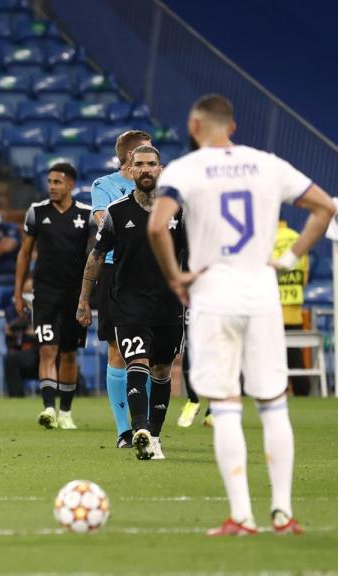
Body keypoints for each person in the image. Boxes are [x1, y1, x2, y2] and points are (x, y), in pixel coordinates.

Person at [148, 94, 334, 536]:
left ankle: (242, 516)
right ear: (232, 127)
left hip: (214, 294)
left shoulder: (185, 170)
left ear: (195, 126)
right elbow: (325, 207)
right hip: (262, 293)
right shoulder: (268, 164)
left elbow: (157, 226)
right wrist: (287, 260)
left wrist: (175, 277)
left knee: (226, 405)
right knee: (273, 402)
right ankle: (283, 513)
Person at [78, 146, 184, 460]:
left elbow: (194, 255)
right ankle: (140, 430)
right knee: (136, 361)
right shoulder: (116, 212)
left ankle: (154, 435)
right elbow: (96, 257)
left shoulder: (179, 211)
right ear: (131, 169)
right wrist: (84, 299)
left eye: (152, 164)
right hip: (129, 303)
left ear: (160, 168)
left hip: (168, 304)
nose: (146, 169)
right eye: (140, 164)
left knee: (161, 369)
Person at [14, 162, 91, 431]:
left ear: (70, 184)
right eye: (50, 182)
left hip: (75, 295)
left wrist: (88, 296)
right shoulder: (36, 212)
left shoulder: (86, 215)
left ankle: (66, 412)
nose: (52, 187)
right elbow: (24, 254)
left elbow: (95, 256)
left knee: (69, 354)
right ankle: (48, 408)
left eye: (57, 182)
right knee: (47, 349)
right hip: (45, 293)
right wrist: (18, 291)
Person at [89, 128, 152, 448]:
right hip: (116, 270)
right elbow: (103, 222)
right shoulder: (104, 186)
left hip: (153, 270)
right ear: (131, 156)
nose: (152, 161)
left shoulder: (160, 188)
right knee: (117, 349)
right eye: (147, 153)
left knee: (150, 353)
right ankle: (123, 431)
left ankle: (146, 427)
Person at [273, 219, 311, 396]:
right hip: (294, 311)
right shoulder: (297, 237)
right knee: (295, 357)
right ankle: (302, 392)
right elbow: (305, 275)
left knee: (270, 357)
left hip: (272, 310)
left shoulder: (266, 238)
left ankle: (275, 392)